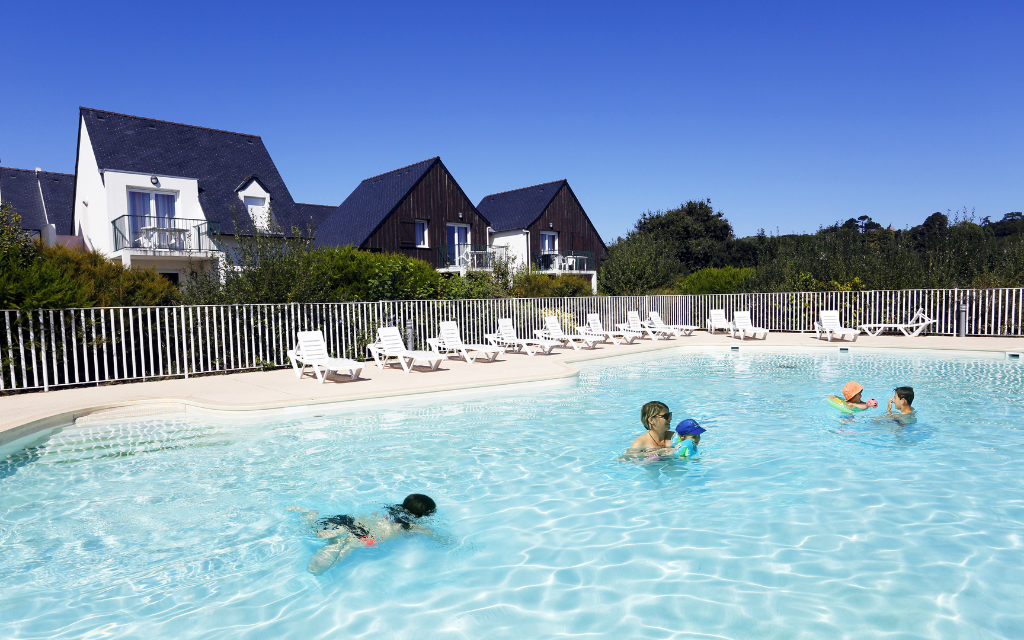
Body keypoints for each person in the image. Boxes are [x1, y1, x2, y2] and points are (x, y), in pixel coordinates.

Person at [288, 494, 437, 575]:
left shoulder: (388, 507)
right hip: (361, 536)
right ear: (423, 515)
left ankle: (309, 515)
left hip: (346, 519)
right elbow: (433, 535)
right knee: (317, 569)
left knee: (313, 528)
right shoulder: (410, 526)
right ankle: (338, 534)